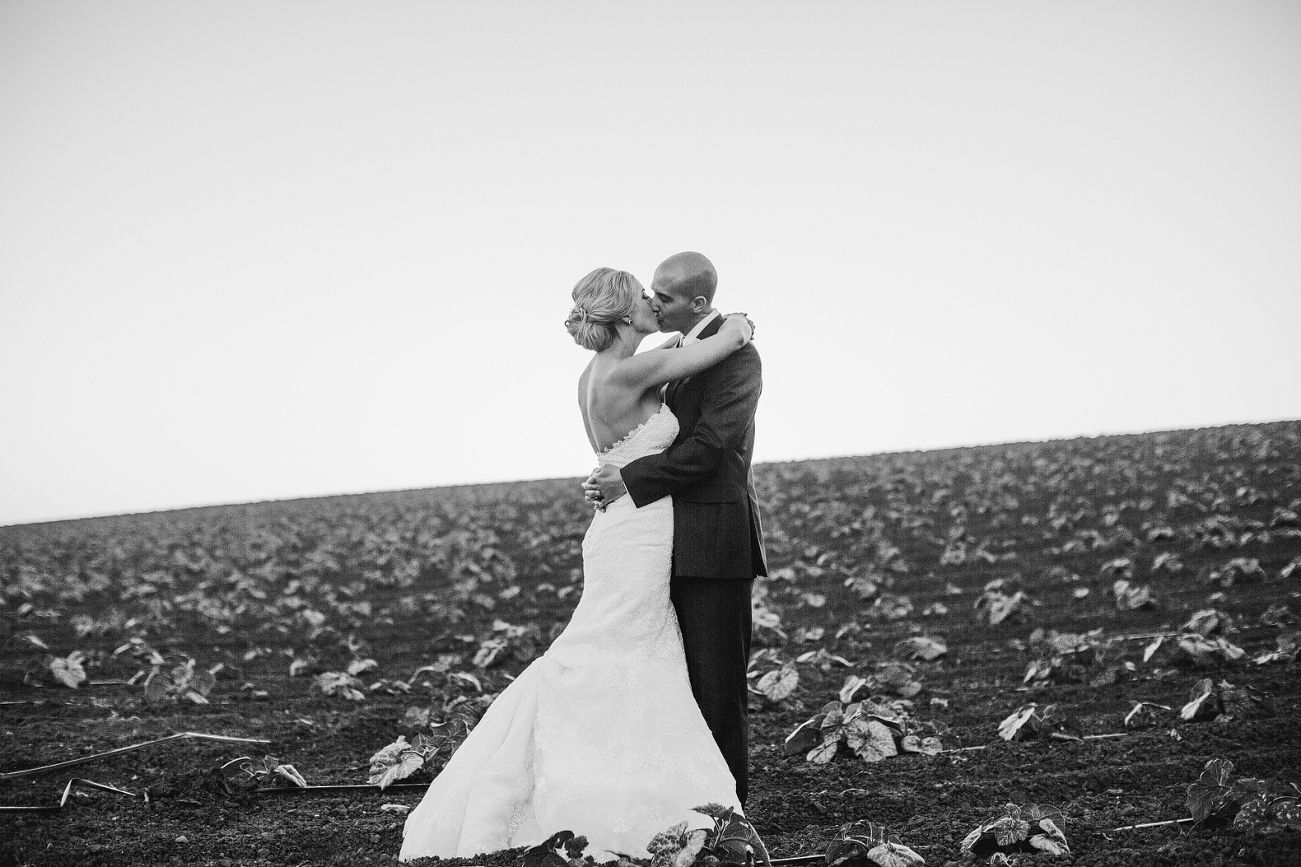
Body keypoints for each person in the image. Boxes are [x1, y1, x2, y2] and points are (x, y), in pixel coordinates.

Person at [399, 264, 759, 862]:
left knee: (610, 651)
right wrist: (738, 323)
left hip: (622, 525)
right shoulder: (638, 368)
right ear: (624, 316)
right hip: (639, 526)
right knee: (621, 653)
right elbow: (727, 341)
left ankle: (603, 774)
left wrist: (688, 333)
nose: (652, 301)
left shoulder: (597, 374)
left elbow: (684, 348)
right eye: (645, 297)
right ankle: (643, 789)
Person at [584, 251, 766, 806]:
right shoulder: (670, 357)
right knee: (668, 682)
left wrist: (629, 478)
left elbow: (713, 449)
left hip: (712, 544)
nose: (653, 304)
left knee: (716, 688)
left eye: (662, 296)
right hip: (657, 540)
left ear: (698, 303)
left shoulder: (738, 359)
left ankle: (726, 809)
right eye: (647, 295)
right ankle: (677, 799)